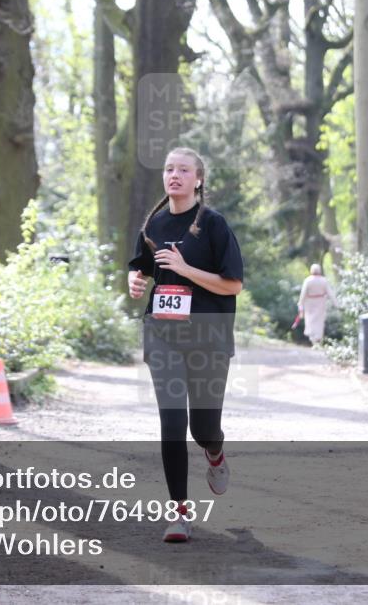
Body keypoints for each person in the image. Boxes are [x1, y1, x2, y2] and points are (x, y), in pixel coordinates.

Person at [127, 147, 244, 543]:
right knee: (173, 424)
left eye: (183, 170)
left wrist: (186, 270)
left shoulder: (213, 224)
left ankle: (216, 450)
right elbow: (143, 267)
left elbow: (233, 284)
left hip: (209, 337)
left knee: (202, 427)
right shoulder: (154, 224)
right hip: (164, 336)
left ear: (198, 180)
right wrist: (137, 281)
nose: (174, 175)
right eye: (169, 169)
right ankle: (179, 514)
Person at [297, 263, 333, 346]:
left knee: (310, 320)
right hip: (320, 302)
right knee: (319, 321)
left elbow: (303, 294)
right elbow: (330, 293)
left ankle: (313, 339)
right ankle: (318, 339)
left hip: (309, 302)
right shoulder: (324, 280)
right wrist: (337, 305)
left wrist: (300, 304)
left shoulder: (308, 280)